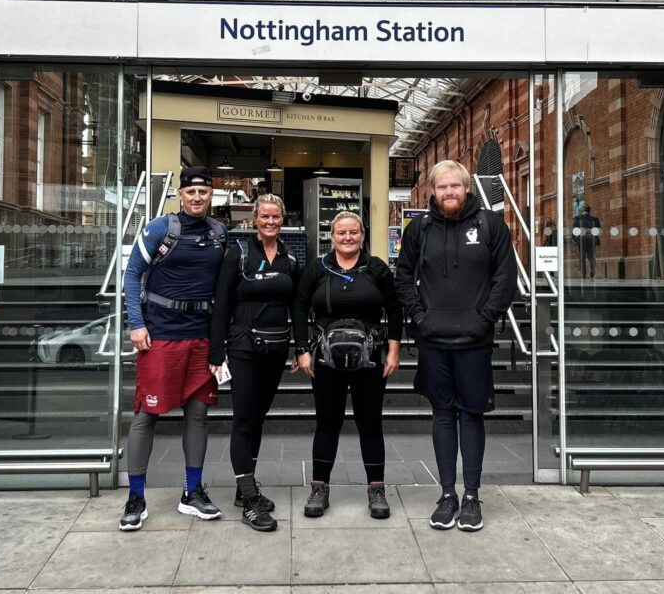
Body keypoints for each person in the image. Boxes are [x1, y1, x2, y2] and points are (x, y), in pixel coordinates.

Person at [395, 159, 515, 532]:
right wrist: (421, 317)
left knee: (471, 415)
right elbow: (402, 276)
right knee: (442, 415)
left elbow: (505, 278)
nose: (449, 193)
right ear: (432, 190)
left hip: (474, 341)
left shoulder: (491, 225)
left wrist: (484, 319)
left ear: (467, 188)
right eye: (442, 187)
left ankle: (472, 496)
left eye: (456, 186)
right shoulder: (419, 229)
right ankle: (447, 494)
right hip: (433, 339)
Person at [118, 165, 227, 531]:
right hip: (161, 335)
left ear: (212, 196)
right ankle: (136, 497)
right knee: (146, 415)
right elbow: (132, 274)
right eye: (191, 192)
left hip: (201, 338)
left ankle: (191, 492)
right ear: (181, 194)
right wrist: (136, 323)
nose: (198, 198)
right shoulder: (161, 229)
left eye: (204, 192)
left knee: (198, 414)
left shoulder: (219, 233)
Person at [292, 211, 403, 520]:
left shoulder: (377, 268)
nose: (348, 237)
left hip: (371, 358)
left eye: (354, 232)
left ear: (362, 235)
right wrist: (301, 350)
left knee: (371, 423)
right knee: (327, 422)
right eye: (341, 232)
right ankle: (319, 488)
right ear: (332, 236)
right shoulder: (318, 268)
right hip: (325, 360)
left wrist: (394, 350)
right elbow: (299, 308)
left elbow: (395, 310)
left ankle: (376, 489)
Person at [209, 193, 300, 532]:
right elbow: (221, 305)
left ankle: (242, 486)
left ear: (282, 219)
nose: (271, 221)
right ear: (255, 219)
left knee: (258, 419)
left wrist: (301, 346)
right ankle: (249, 499)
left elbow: (298, 307)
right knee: (244, 421)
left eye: (276, 216)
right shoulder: (239, 253)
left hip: (275, 349)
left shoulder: (290, 258)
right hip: (244, 347)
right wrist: (216, 354)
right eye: (265, 216)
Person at [572, 203, 601, 279]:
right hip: (592, 240)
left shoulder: (577, 218)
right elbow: (598, 230)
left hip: (582, 240)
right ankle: (593, 269)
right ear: (589, 210)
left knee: (582, 257)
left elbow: (575, 230)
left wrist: (575, 239)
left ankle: (583, 273)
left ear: (582, 210)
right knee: (591, 256)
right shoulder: (595, 219)